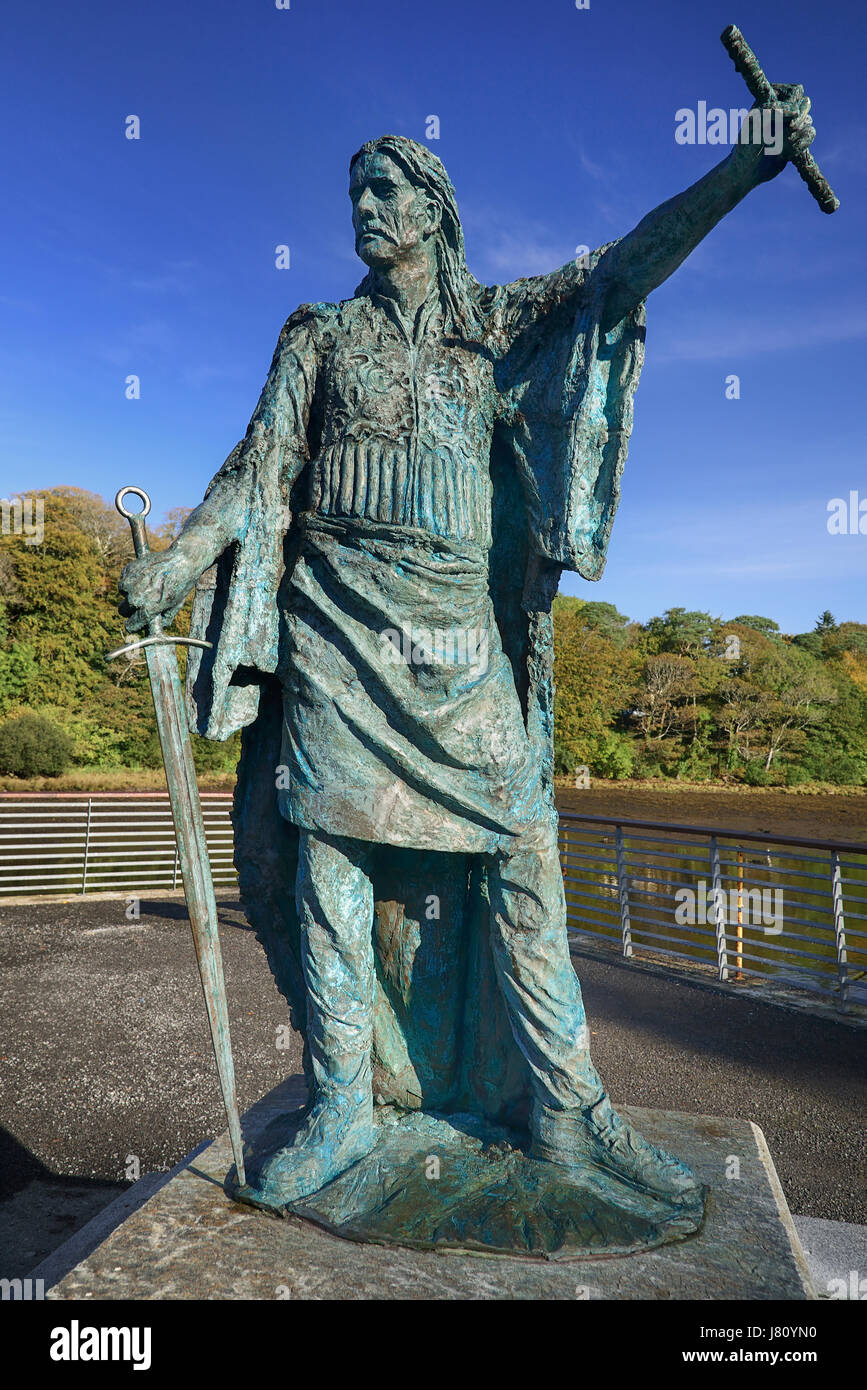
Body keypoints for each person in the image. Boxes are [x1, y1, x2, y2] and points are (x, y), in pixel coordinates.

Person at [120, 96, 814, 1213]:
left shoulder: (491, 321)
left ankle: (566, 1106)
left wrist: (742, 166)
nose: (363, 206)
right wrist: (175, 557)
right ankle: (345, 1103)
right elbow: (260, 469)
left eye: (386, 190)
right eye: (355, 190)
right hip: (335, 623)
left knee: (523, 848)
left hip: (454, 634)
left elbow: (618, 275)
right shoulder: (317, 335)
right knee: (329, 869)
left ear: (436, 212)